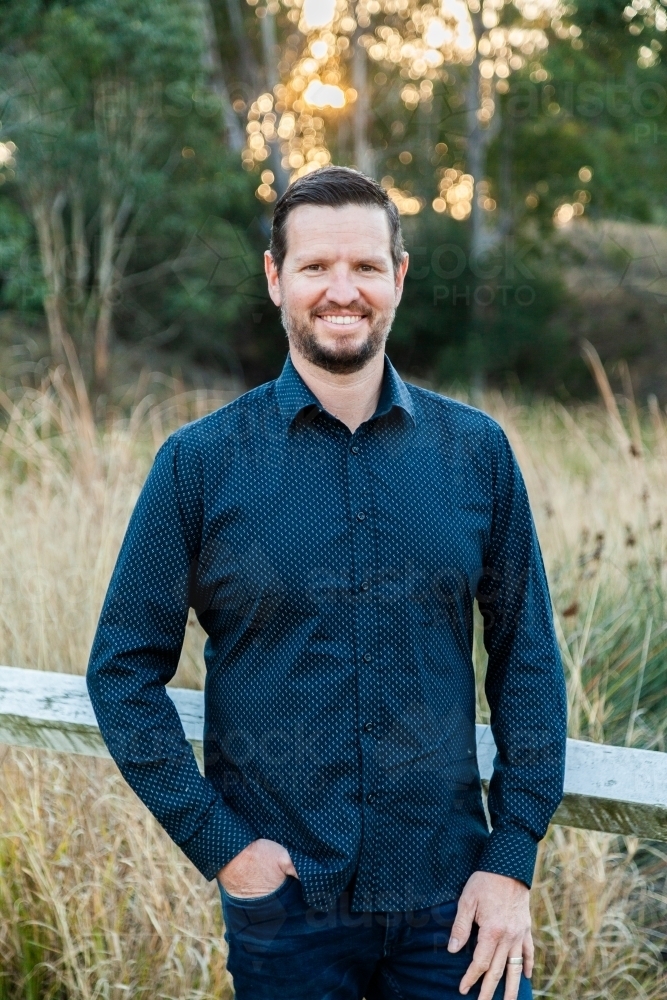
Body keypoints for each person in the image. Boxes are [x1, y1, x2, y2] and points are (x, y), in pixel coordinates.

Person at [87, 165, 567, 1000]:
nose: (340, 291)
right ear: (275, 278)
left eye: (364, 267)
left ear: (398, 279)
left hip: (456, 904)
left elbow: (526, 659)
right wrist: (221, 846)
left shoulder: (476, 453)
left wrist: (512, 860)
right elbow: (122, 670)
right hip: (287, 915)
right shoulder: (199, 466)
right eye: (314, 267)